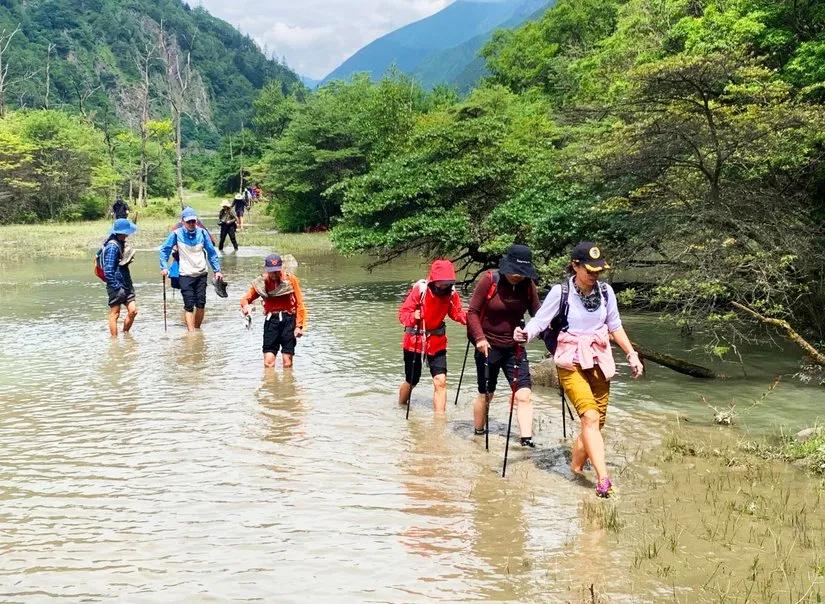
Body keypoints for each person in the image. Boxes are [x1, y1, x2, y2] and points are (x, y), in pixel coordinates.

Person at [514, 242, 644, 498]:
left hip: (599, 360)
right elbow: (540, 321)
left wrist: (631, 355)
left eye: (598, 271)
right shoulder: (560, 292)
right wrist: (525, 334)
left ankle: (575, 468)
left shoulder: (606, 292)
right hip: (570, 361)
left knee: (596, 422)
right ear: (575, 266)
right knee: (590, 418)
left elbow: (615, 326)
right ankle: (603, 479)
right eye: (589, 270)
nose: (595, 276)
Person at [467, 244, 541, 447]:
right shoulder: (490, 280)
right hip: (487, 346)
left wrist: (549, 334)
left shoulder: (528, 285)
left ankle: (526, 440)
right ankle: (478, 433)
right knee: (487, 393)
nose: (518, 276)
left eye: (522, 272)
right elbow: (472, 312)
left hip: (515, 348)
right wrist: (480, 338)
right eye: (515, 271)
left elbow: (538, 315)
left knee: (524, 394)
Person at [397, 259, 467, 414]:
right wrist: (414, 316)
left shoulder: (452, 293)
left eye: (447, 283)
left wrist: (472, 320)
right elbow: (402, 314)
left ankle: (440, 421)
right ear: (433, 281)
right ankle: (400, 407)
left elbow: (457, 313)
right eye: (441, 283)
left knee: (440, 381)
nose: (444, 286)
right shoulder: (420, 290)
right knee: (412, 380)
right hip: (414, 341)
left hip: (437, 342)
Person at [159, 206, 223, 332]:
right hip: (185, 274)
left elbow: (211, 252)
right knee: (189, 305)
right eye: (188, 221)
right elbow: (164, 250)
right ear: (183, 221)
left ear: (196, 221)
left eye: (193, 221)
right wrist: (164, 267)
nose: (191, 224)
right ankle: (192, 333)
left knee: (201, 304)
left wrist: (217, 270)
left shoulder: (203, 233)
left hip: (201, 273)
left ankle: (198, 330)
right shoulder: (176, 234)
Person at [240, 254, 307, 368]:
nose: (274, 274)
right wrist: (246, 307)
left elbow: (300, 304)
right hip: (271, 321)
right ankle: (270, 385)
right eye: (271, 271)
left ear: (281, 268)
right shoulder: (261, 283)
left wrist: (299, 326)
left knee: (287, 362)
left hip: (288, 321)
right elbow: (245, 299)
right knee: (268, 362)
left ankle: (288, 385)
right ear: (266, 269)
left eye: (277, 271)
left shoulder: (290, 280)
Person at [102, 218, 138, 337]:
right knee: (115, 314)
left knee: (133, 311)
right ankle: (114, 341)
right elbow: (108, 271)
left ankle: (126, 335)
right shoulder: (112, 247)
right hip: (116, 286)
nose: (127, 234)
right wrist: (116, 287)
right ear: (120, 232)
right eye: (126, 232)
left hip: (126, 283)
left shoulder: (121, 242)